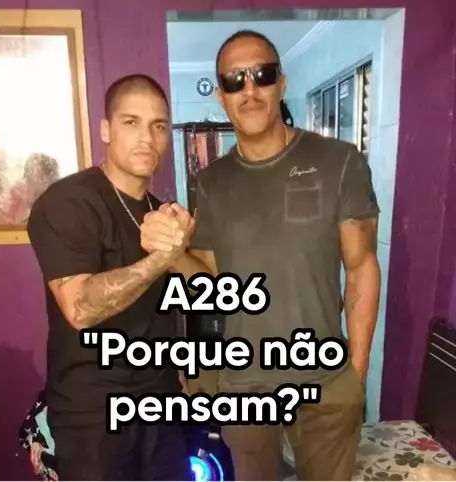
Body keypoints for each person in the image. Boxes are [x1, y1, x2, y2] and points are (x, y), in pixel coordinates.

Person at [140, 30, 381, 481]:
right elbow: (210, 280)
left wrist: (357, 369)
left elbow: (362, 265)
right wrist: (170, 254)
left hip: (325, 380)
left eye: (262, 74)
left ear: (281, 83)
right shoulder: (211, 182)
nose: (249, 89)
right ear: (221, 96)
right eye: (234, 80)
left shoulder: (339, 161)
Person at [27, 73, 194, 481]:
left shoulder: (159, 210)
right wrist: (160, 259)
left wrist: (181, 244)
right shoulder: (68, 202)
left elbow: (198, 290)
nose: (147, 138)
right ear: (105, 129)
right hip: (93, 414)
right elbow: (80, 308)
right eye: (131, 122)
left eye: (158, 126)